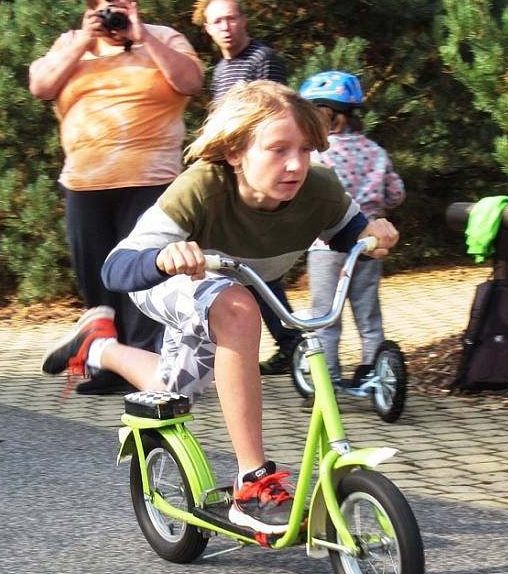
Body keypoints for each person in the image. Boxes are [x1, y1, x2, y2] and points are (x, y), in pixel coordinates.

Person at [40, 80, 399, 533]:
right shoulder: (203, 188)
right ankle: (253, 484)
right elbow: (117, 268)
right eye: (277, 149)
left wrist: (375, 237)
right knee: (238, 309)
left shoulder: (319, 189)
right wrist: (163, 258)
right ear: (235, 152)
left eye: (306, 150)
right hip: (167, 281)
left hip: (230, 289)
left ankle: (96, 347)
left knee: (173, 391)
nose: (295, 165)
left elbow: (349, 233)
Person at [29, 0, 203, 395]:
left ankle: (148, 366)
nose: (115, 18)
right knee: (98, 278)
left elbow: (191, 81)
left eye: (123, 7)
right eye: (106, 11)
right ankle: (106, 362)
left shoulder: (163, 38)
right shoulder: (72, 44)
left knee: (144, 275)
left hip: (151, 179)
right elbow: (41, 86)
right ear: (90, 11)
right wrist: (82, 45)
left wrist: (145, 37)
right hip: (86, 181)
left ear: (135, 3)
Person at [200, 0, 301, 376]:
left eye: (231, 18)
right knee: (241, 264)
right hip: (232, 175)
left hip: (259, 178)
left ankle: (291, 340)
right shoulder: (218, 72)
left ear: (244, 20)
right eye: (216, 22)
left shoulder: (263, 59)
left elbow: (273, 115)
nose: (225, 27)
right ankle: (287, 341)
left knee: (253, 263)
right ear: (207, 29)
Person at [299, 71, 406, 386]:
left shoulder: (317, 155)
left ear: (325, 115)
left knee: (325, 316)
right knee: (368, 315)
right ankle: (375, 374)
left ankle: (325, 379)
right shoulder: (375, 151)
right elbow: (396, 194)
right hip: (369, 244)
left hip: (326, 245)